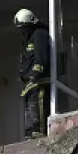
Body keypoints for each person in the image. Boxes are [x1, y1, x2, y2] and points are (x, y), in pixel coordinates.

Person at [14, 8, 52, 139]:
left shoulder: (39, 34)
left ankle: (38, 130)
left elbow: (41, 56)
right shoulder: (29, 40)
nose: (22, 31)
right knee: (29, 107)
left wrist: (36, 72)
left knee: (37, 104)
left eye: (23, 27)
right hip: (30, 83)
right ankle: (30, 132)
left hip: (38, 81)